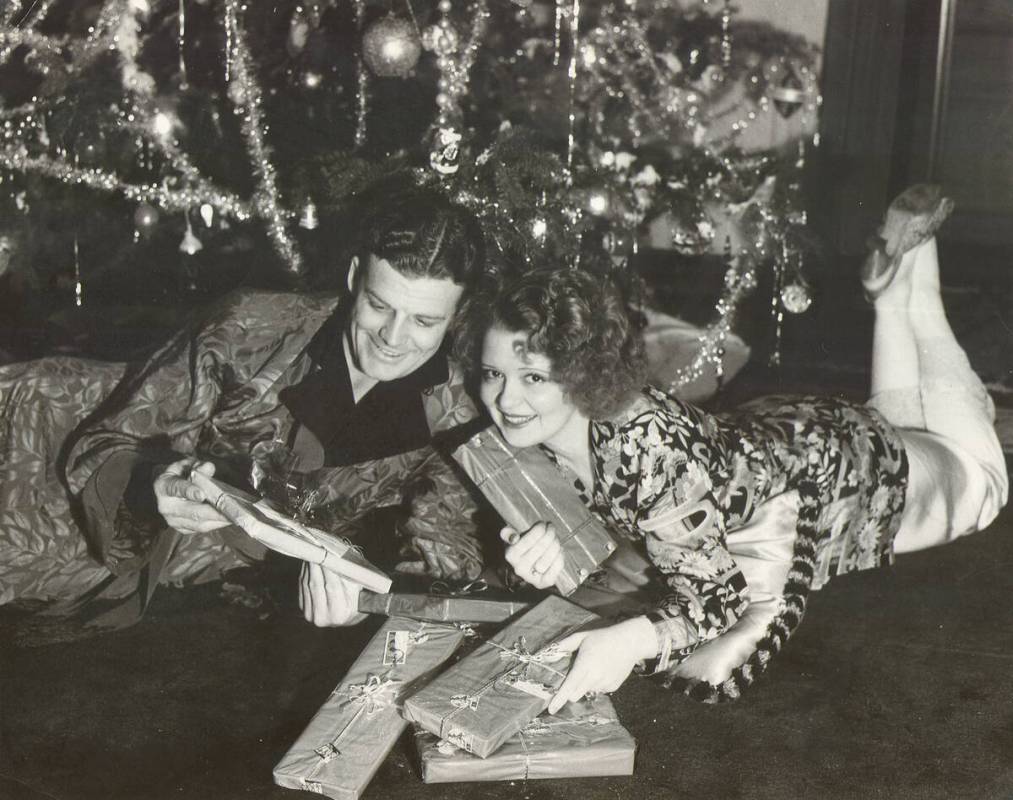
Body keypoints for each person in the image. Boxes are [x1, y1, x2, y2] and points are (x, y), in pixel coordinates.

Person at [456, 184, 1007, 706]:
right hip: (781, 436)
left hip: (838, 468)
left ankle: (920, 279)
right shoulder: (553, 427)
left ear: (579, 372)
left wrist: (626, 642)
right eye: (492, 372)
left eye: (532, 377)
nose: (504, 399)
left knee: (982, 482)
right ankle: (891, 293)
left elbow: (719, 600)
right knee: (901, 417)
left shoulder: (649, 454)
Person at [1, 188, 488, 629]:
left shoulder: (453, 412)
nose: (393, 337)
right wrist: (154, 488)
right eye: (380, 306)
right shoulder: (249, 327)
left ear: (455, 318)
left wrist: (373, 599)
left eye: (424, 321)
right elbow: (105, 441)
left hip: (208, 602)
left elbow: (447, 545)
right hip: (45, 502)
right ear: (356, 276)